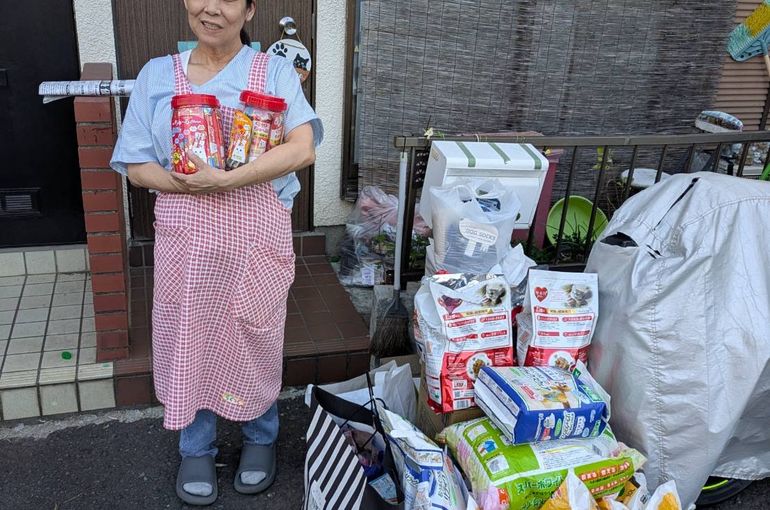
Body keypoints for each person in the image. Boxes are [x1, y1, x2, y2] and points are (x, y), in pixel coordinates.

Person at [110, 0, 322, 505]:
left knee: (255, 335)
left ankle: (260, 438)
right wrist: (189, 184)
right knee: (190, 334)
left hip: (255, 237)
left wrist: (225, 181)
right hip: (187, 238)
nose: (211, 9)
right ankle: (196, 447)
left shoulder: (273, 72)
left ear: (248, 10)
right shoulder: (157, 75)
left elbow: (302, 147)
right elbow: (136, 164)